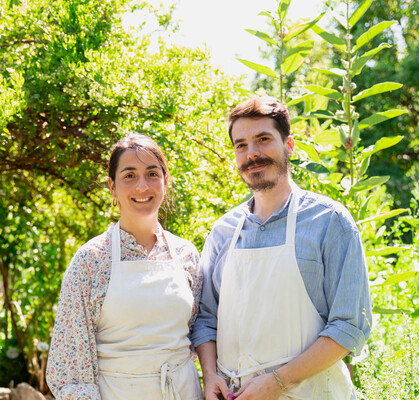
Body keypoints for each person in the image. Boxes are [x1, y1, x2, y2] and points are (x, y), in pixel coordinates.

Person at [191, 96, 372, 400]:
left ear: (289, 145)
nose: (252, 154)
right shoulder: (223, 232)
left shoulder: (330, 221)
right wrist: (210, 376)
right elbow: (206, 319)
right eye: (241, 145)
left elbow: (350, 326)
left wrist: (277, 382)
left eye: (263, 139)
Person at [47, 133, 203, 400]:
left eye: (152, 174)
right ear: (112, 186)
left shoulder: (186, 254)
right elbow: (70, 368)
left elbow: (197, 333)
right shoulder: (91, 260)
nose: (142, 186)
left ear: (166, 181)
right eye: (129, 176)